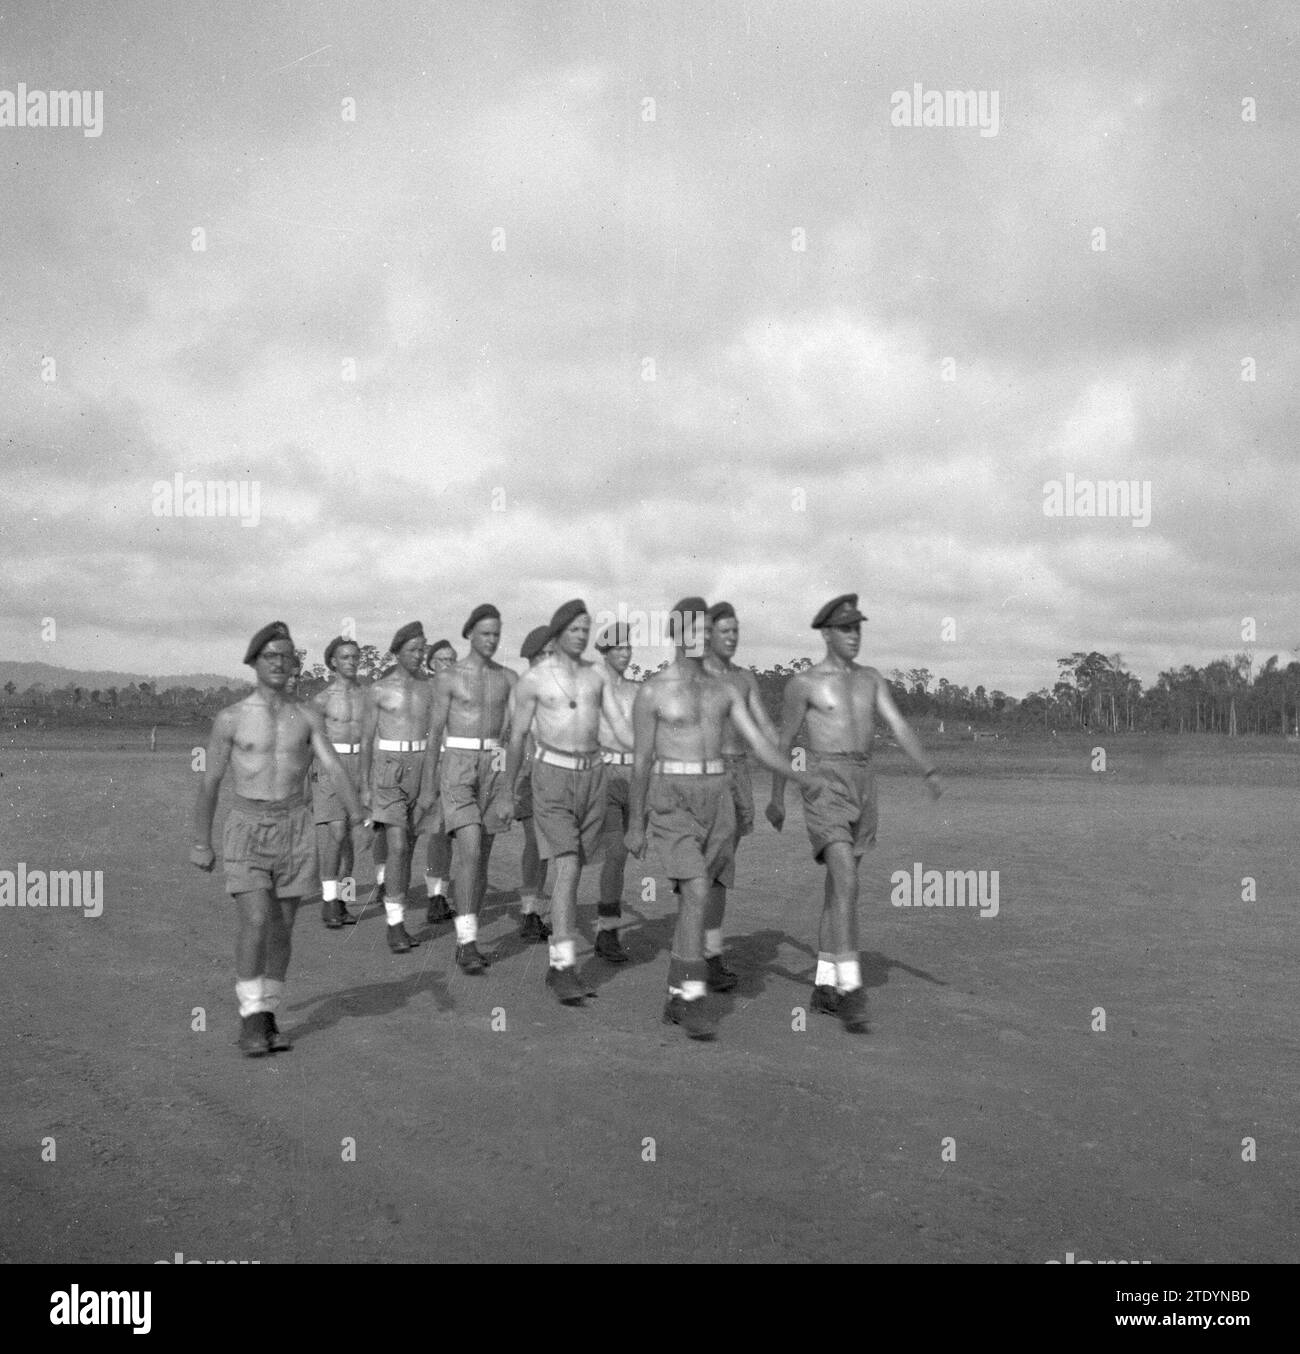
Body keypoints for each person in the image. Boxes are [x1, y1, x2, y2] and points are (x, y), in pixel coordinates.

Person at [626, 598, 823, 1039]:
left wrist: (798, 777)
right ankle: (693, 997)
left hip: (719, 801)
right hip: (672, 801)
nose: (698, 637)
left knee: (699, 895)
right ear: (676, 634)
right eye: (690, 630)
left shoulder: (725, 691)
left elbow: (761, 743)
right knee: (696, 890)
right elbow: (640, 763)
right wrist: (635, 822)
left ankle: (678, 993)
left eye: (704, 629)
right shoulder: (652, 691)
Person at [191, 621, 368, 1056]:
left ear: (295, 664)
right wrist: (201, 841)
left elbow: (332, 767)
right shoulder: (230, 719)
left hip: (295, 829)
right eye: (270, 655)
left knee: (283, 927)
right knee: (255, 920)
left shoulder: (307, 717)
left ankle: (267, 1012)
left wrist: (361, 813)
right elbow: (211, 783)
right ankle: (250, 1016)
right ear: (253, 662)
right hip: (247, 828)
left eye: (286, 656)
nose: (279, 662)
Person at [767, 594, 942, 1032]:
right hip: (825, 781)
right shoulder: (804, 684)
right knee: (847, 880)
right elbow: (784, 742)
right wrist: (776, 797)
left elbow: (898, 725)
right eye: (846, 629)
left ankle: (824, 983)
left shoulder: (871, 679)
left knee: (838, 887)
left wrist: (928, 768)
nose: (854, 636)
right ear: (826, 633)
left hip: (865, 783)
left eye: (858, 628)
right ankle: (850, 987)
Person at [499, 599, 633, 1004]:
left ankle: (562, 958)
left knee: (574, 867)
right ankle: (562, 966)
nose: (581, 634)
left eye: (585, 628)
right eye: (574, 628)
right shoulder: (534, 682)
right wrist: (507, 791)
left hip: (595, 778)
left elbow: (623, 731)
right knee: (569, 865)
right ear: (558, 633)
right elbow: (517, 738)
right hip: (551, 778)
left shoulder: (597, 679)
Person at [423, 604, 514, 974]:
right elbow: (433, 738)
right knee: (471, 849)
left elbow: (514, 735)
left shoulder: (509, 678)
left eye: (497, 634)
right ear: (469, 634)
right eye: (485, 633)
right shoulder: (449, 678)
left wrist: (508, 786)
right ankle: (466, 941)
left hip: (494, 763)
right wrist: (429, 788)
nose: (491, 640)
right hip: (458, 763)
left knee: (483, 855)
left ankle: (468, 933)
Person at [699, 600, 780, 990]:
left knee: (720, 870)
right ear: (708, 634)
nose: (732, 638)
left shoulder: (745, 679)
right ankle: (697, 952)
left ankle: (709, 954)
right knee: (704, 868)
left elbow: (764, 726)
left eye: (736, 631)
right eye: (724, 631)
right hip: (702, 777)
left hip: (738, 775)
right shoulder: (693, 676)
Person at [360, 621, 433, 953]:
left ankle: (396, 909)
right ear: (397, 651)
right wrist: (364, 785)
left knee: (410, 847)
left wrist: (431, 781)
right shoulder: (378, 690)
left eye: (422, 649)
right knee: (399, 847)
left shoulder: (429, 688)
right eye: (413, 650)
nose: (419, 655)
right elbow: (364, 740)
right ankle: (395, 924)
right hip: (388, 768)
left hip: (420, 767)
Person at [308, 635, 368, 928]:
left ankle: (342, 901)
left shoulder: (367, 695)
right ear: (333, 661)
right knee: (337, 831)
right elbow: (309, 744)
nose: (352, 662)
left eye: (355, 657)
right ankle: (329, 901)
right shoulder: (321, 700)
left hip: (360, 767)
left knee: (349, 840)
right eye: (345, 657)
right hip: (330, 766)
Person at [593, 622, 638, 963]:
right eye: (618, 648)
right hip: (602, 777)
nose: (625, 653)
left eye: (628, 647)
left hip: (634, 778)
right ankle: (606, 931)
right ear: (605, 652)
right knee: (616, 852)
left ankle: (609, 925)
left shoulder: (638, 690)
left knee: (622, 856)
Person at [511, 625, 554, 942]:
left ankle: (535, 908)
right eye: (546, 654)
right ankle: (529, 912)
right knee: (537, 845)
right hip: (530, 777)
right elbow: (518, 740)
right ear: (533, 657)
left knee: (547, 849)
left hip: (557, 778)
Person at [421, 639, 458, 924]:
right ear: (430, 663)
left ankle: (441, 896)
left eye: (451, 659)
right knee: (436, 831)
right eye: (441, 659)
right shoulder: (424, 692)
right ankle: (435, 896)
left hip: (460, 764)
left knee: (454, 833)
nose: (447, 664)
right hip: (430, 763)